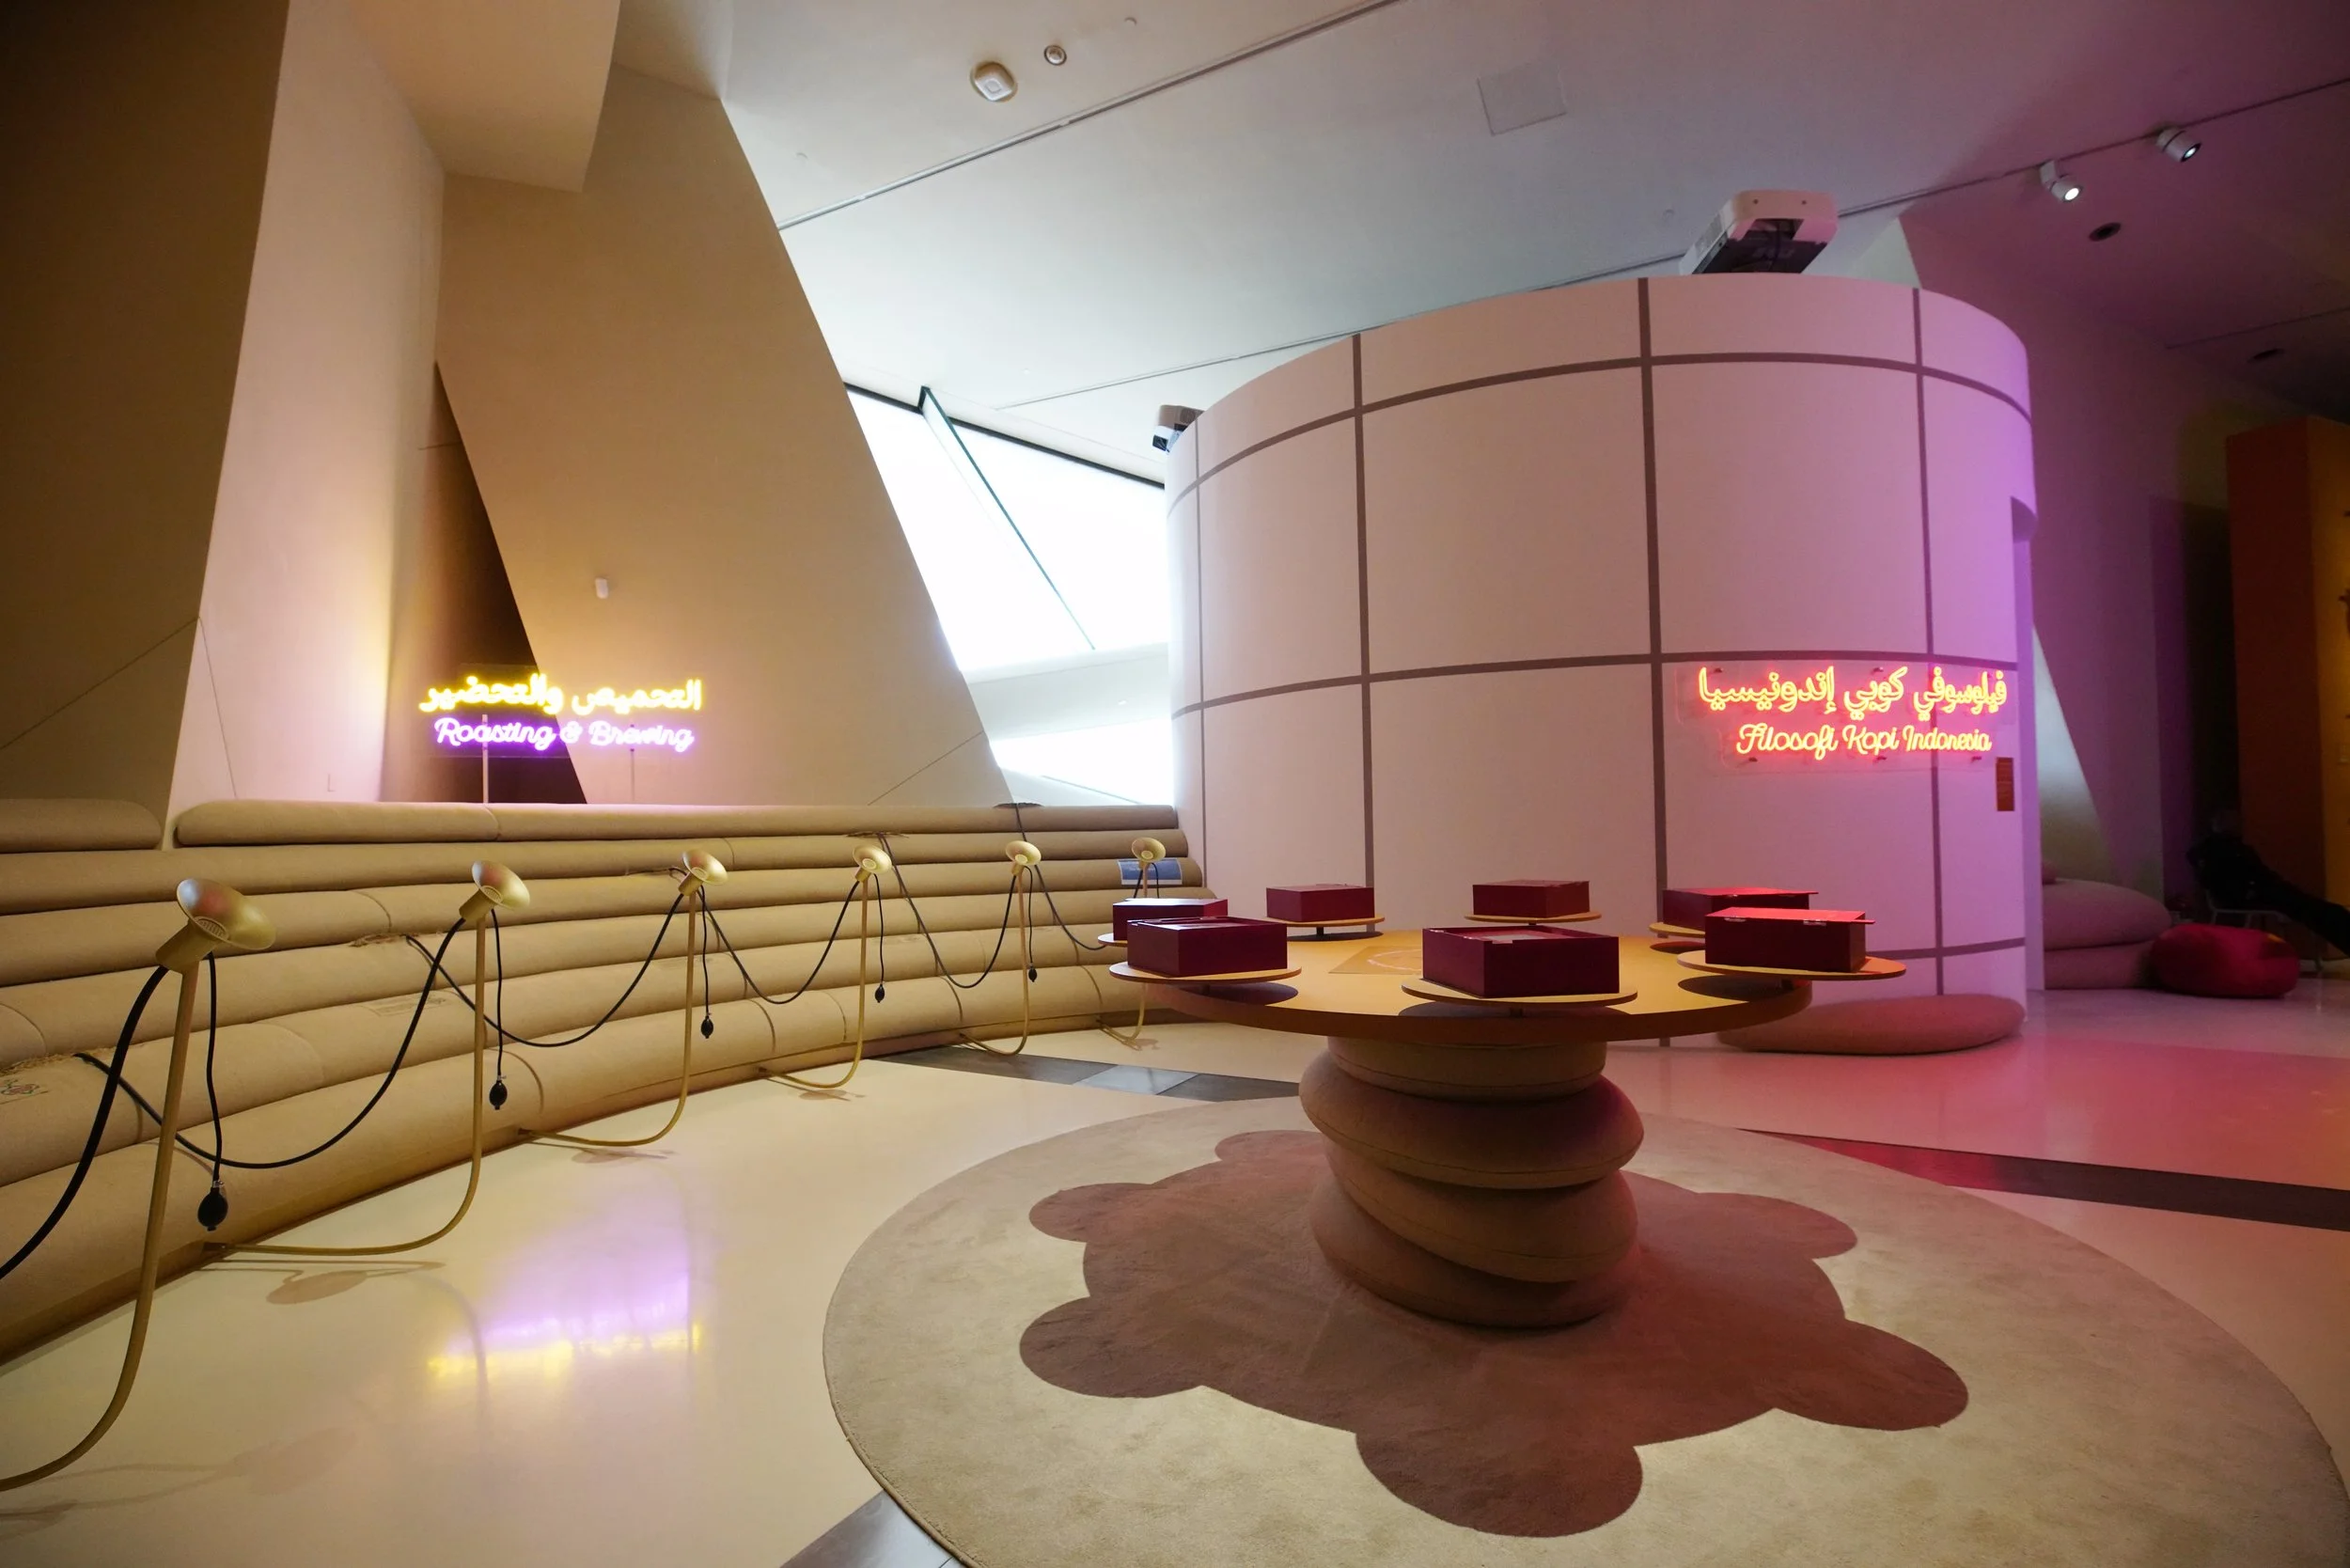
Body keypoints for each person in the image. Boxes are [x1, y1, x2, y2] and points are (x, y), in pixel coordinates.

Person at [2186, 814, 2350, 957]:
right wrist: (2250, 890)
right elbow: (2221, 880)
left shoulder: (2227, 849)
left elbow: (2261, 873)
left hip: (2263, 891)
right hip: (2251, 894)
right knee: (2317, 910)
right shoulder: (2216, 852)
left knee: (2320, 910)